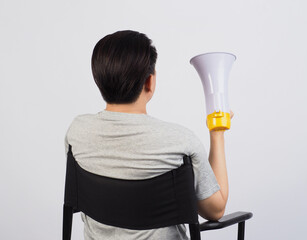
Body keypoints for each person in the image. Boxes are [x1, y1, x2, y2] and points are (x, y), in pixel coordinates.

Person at [65, 30, 230, 240]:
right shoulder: (180, 142)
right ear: (149, 82)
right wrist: (217, 134)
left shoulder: (77, 132)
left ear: (99, 80)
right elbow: (215, 211)